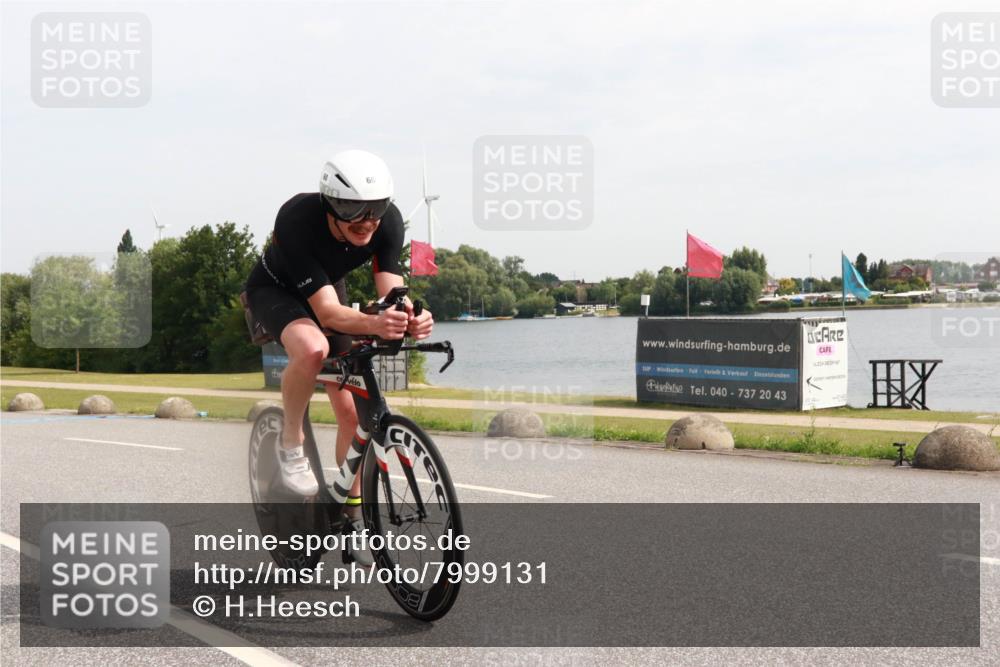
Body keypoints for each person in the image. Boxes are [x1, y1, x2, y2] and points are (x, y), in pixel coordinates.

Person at [244, 150, 433, 531]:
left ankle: (350, 510)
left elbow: (391, 291)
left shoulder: (388, 223)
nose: (366, 222)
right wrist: (375, 324)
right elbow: (328, 315)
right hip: (276, 292)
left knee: (351, 413)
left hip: (328, 290)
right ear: (330, 204)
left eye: (375, 208)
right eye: (351, 210)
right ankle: (291, 444)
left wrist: (411, 316)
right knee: (313, 348)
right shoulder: (298, 218)